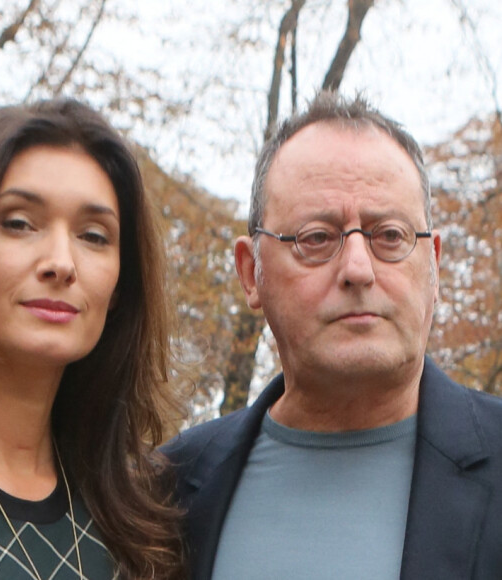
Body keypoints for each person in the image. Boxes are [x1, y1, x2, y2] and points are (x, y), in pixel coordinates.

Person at [162, 91, 502, 579]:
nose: (359, 269)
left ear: (434, 265)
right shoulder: (164, 495)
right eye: (316, 239)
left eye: (390, 236)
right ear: (250, 272)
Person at [0, 99, 184, 579]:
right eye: (19, 223)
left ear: (122, 286)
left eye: (93, 235)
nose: (61, 262)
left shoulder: (142, 525)